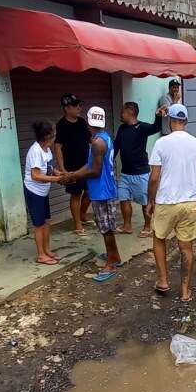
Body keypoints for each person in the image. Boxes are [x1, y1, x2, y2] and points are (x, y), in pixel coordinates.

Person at [147, 103, 196, 301]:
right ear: (186, 121)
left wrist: (150, 200)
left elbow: (154, 178)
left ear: (170, 120)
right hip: (189, 202)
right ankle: (184, 291)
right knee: (186, 247)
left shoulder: (161, 143)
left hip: (166, 201)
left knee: (159, 238)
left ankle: (163, 281)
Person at [67, 107, 121, 282]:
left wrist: (74, 175)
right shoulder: (103, 138)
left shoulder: (97, 144)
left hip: (102, 191)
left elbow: (95, 171)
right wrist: (73, 174)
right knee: (106, 227)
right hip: (105, 189)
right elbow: (90, 165)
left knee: (106, 229)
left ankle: (112, 262)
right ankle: (115, 256)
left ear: (89, 122)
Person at [112, 101, 161, 237]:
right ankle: (127, 225)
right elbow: (116, 146)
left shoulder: (142, 127)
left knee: (145, 202)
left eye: (123, 112)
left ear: (130, 113)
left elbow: (156, 127)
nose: (121, 114)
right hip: (125, 173)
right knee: (123, 198)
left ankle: (147, 226)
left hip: (141, 173)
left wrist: (158, 116)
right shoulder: (122, 128)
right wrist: (109, 161)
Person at [23, 121, 65, 265]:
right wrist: (55, 179)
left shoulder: (46, 149)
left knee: (46, 222)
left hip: (43, 191)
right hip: (34, 191)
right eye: (53, 134)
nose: (55, 137)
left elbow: (47, 168)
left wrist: (58, 173)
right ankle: (41, 255)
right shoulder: (35, 151)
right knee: (39, 224)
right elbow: (35, 175)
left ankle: (47, 250)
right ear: (47, 136)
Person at [54, 94, 91, 235]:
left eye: (79, 105)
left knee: (89, 192)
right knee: (76, 195)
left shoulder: (82, 122)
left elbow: (90, 140)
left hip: (86, 165)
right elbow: (57, 147)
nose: (79, 108)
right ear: (67, 108)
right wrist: (62, 168)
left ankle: (82, 215)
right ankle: (77, 225)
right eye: (76, 106)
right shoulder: (61, 125)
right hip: (71, 167)